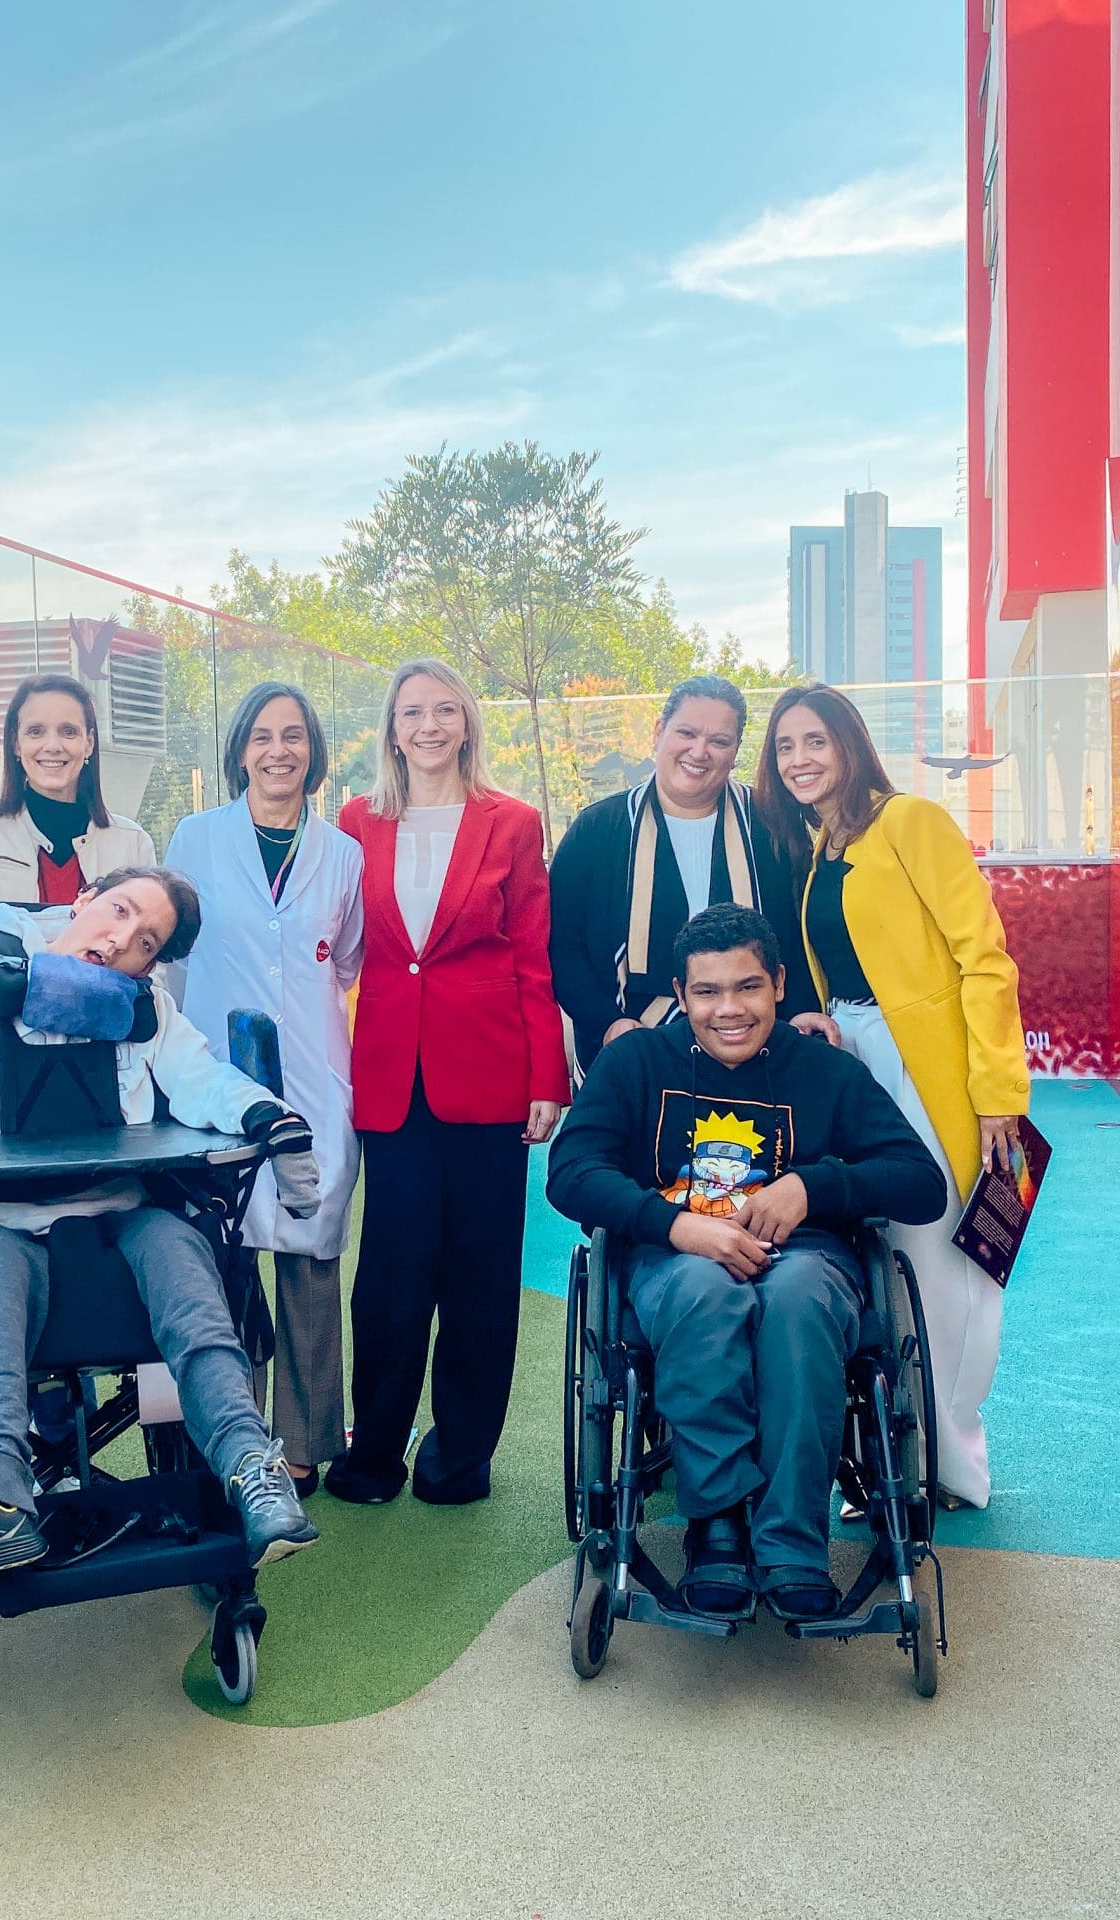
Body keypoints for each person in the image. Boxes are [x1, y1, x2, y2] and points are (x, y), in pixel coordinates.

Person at [0, 867, 323, 1586]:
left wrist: (266, 1115)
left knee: (182, 1253)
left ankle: (251, 1467)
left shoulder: (143, 1010)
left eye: (144, 941)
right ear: (84, 900)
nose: (120, 940)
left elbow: (202, 1080)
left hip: (121, 1223)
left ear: (148, 965)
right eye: (119, 912)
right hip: (6, 1226)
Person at [545, 904, 945, 1621]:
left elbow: (920, 1182)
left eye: (748, 987)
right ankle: (719, 1527)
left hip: (807, 1258)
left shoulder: (824, 1072)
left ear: (780, 984)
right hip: (678, 1260)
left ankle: (793, 1540)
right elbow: (571, 1171)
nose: (729, 1010)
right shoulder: (637, 1062)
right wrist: (675, 1226)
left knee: (794, 1303)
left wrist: (812, 1185)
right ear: (680, 992)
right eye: (707, 992)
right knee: (706, 1291)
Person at [756, 683, 1028, 1509]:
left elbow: (985, 958)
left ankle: (944, 1465)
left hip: (929, 1070)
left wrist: (996, 1096)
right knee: (873, 1261)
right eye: (785, 746)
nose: (800, 759)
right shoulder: (821, 850)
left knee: (940, 1264)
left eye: (815, 741)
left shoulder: (909, 822)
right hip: (857, 1063)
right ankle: (879, 1455)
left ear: (848, 743)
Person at [325, 658, 567, 1508]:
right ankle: (374, 1455)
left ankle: (460, 1458)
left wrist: (548, 1077)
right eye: (410, 712)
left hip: (491, 1075)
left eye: (443, 711)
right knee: (390, 1273)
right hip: (390, 1077)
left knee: (480, 1275)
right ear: (390, 728)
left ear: (467, 723)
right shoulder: (356, 820)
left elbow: (533, 959)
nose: (427, 726)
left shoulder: (512, 823)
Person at [164, 683, 364, 1494]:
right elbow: (168, 948)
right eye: (262, 736)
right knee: (223, 1262)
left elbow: (345, 959)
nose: (278, 750)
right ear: (239, 750)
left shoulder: (343, 853)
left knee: (310, 1263)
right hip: (213, 1074)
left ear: (313, 752)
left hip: (315, 1077)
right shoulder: (196, 837)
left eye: (295, 737)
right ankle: (235, 1440)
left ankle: (308, 1440)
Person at [548, 675, 806, 1074]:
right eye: (686, 732)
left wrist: (802, 1011)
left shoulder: (771, 822)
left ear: (736, 751)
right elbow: (563, 944)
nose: (699, 752)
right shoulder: (598, 829)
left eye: (719, 741)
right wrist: (606, 1022)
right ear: (658, 731)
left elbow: (798, 933)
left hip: (756, 1043)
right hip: (631, 1046)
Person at [0, 673, 155, 978]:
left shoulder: (132, 842)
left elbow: (150, 958)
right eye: (36, 731)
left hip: (98, 1017)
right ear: (16, 743)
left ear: (89, 743)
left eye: (68, 731)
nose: (52, 745)